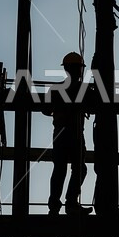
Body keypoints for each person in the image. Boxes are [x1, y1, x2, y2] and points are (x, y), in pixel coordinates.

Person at [43, 52, 93, 215]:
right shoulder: (84, 89)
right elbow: (96, 104)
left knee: (60, 168)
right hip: (75, 132)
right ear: (79, 69)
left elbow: (45, 109)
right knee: (79, 169)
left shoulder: (56, 89)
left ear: (65, 69)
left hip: (59, 133)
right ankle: (71, 203)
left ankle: (54, 205)